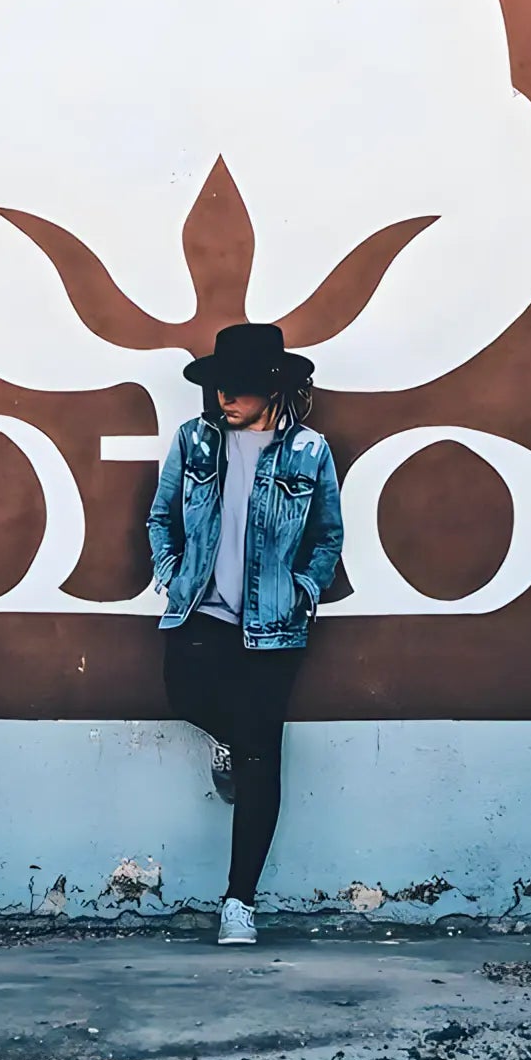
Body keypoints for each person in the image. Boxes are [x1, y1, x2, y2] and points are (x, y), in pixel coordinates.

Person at [146, 322, 344, 946]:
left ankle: (240, 902)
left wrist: (304, 590)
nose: (224, 397)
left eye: (239, 386)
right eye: (219, 385)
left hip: (275, 623)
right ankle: (229, 743)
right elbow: (161, 516)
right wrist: (172, 573)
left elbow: (328, 536)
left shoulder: (309, 451)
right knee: (184, 694)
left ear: (273, 389)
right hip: (200, 610)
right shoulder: (194, 440)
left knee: (262, 759)